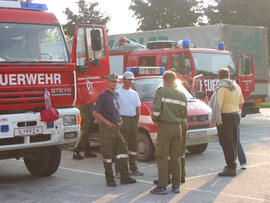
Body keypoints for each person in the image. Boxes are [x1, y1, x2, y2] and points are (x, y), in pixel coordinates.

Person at [92, 73, 136, 187]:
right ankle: (110, 179)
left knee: (122, 150)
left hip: (116, 127)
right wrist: (107, 123)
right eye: (112, 81)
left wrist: (120, 119)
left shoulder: (116, 94)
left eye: (115, 81)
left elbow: (116, 110)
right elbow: (95, 112)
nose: (114, 83)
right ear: (108, 82)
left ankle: (124, 176)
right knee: (108, 154)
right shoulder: (103, 95)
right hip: (107, 129)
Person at [151, 70, 187, 194]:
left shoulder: (161, 91)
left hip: (165, 127)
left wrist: (155, 119)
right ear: (174, 80)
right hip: (178, 127)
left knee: (162, 156)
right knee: (176, 157)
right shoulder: (181, 94)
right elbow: (184, 113)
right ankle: (176, 185)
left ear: (164, 80)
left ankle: (162, 185)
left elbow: (156, 109)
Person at [210, 68, 244, 177]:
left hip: (225, 117)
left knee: (225, 142)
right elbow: (241, 103)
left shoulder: (221, 88)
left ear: (219, 77)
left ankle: (230, 167)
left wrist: (213, 120)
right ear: (229, 76)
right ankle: (232, 165)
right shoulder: (236, 86)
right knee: (233, 142)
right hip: (235, 116)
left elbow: (217, 106)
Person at [115, 71, 144, 177]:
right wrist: (118, 120)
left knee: (133, 146)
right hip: (123, 120)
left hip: (133, 120)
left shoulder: (134, 93)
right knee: (122, 146)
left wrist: (136, 121)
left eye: (132, 79)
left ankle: (133, 168)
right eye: (128, 79)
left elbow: (137, 108)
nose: (130, 81)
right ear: (124, 80)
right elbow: (115, 108)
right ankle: (119, 169)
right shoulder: (118, 93)